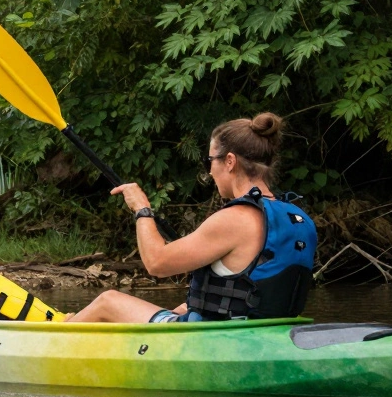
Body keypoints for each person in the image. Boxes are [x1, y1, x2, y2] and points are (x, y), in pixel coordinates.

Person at [66, 112, 317, 323]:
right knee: (182, 307)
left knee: (108, 301)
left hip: (210, 340)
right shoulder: (300, 218)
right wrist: (191, 307)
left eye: (210, 160)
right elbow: (253, 292)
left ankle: (52, 341)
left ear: (229, 161)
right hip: (263, 333)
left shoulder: (235, 218)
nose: (210, 170)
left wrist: (142, 209)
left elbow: (156, 263)